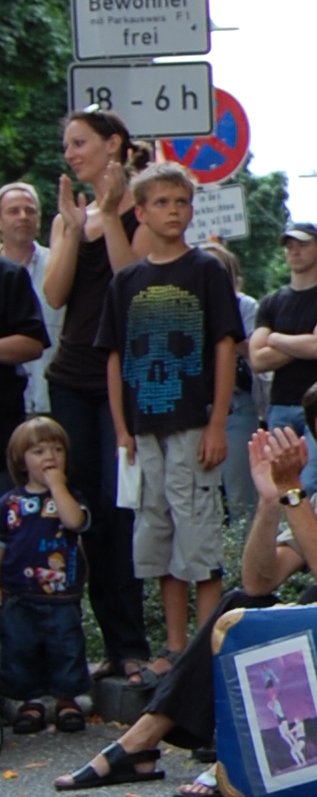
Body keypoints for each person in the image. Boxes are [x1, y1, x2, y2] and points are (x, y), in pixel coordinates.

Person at [56, 373, 317, 794]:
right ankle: (140, 742)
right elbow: (259, 581)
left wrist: (292, 491)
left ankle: (249, 750)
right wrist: (269, 499)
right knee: (241, 606)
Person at [99, 160, 240, 662]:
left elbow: (225, 344)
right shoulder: (125, 282)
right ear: (140, 213)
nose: (173, 211)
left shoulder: (206, 270)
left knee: (197, 531)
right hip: (144, 428)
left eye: (181, 202)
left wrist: (217, 421)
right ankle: (175, 645)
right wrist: (121, 428)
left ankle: (205, 647)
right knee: (156, 531)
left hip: (193, 422)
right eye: (161, 202)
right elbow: (115, 356)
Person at [40, 109, 151, 682]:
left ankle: (130, 644)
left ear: (114, 145)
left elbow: (131, 285)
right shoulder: (68, 218)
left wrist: (109, 215)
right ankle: (91, 648)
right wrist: (67, 229)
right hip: (70, 379)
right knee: (82, 514)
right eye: (67, 145)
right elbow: (55, 296)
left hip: (120, 381)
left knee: (118, 510)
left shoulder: (142, 210)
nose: (70, 154)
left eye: (79, 142)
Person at [2, 417, 92, 736]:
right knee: (20, 647)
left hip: (61, 592)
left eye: (57, 450)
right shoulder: (10, 503)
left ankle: (67, 700)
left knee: (65, 644)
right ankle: (31, 702)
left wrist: (57, 487)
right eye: (38, 451)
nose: (50, 457)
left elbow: (74, 522)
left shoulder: (70, 496)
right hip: (18, 591)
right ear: (21, 461)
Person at [251, 223, 317, 498]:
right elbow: (257, 359)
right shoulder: (271, 302)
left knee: (312, 485)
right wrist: (307, 342)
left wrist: (275, 338)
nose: (295, 251)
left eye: (303, 244)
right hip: (280, 404)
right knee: (278, 486)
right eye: (290, 246)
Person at [200, 240, 260, 522]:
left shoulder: (244, 306)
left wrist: (224, 323)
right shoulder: (185, 306)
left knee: (239, 494)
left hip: (237, 406)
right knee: (201, 494)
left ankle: (246, 546)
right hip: (197, 409)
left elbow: (253, 353)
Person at [0, 182, 54, 417]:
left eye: (30, 210)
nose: (23, 217)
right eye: (13, 211)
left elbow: (33, 341)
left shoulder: (59, 264)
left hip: (52, 390)